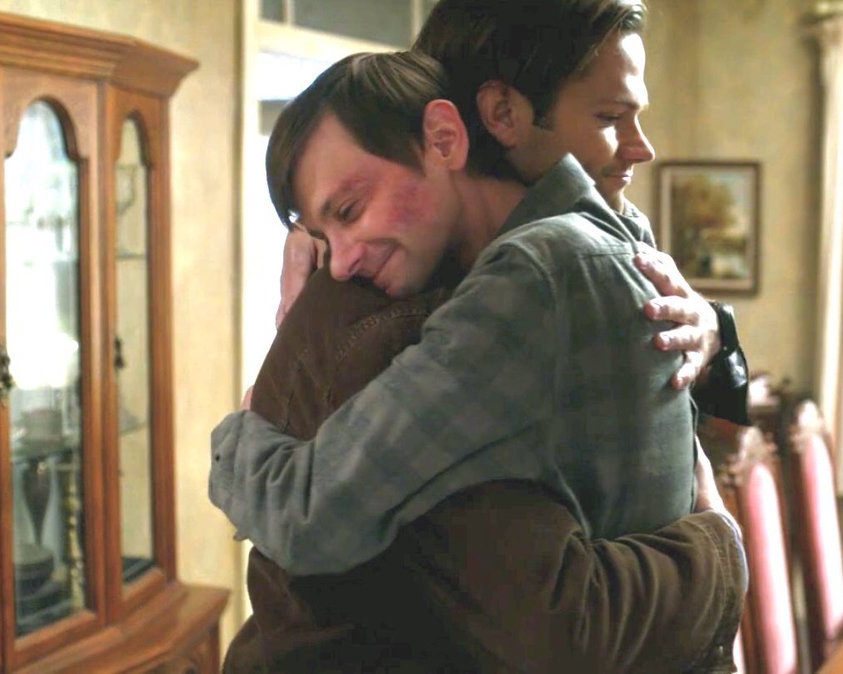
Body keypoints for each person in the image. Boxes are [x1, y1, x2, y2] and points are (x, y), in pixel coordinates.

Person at [217, 1, 748, 670]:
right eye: (322, 233)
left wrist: (245, 426)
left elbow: (307, 521)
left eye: (350, 209)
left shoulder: (536, 270)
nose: (341, 262)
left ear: (447, 138)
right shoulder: (586, 243)